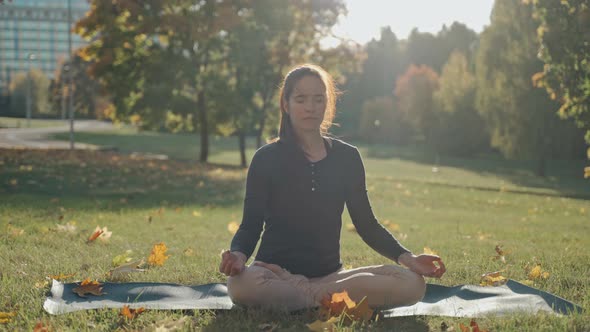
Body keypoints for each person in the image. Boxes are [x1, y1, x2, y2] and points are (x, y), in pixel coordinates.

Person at [219, 64, 446, 312]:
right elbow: (250, 225)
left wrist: (408, 258)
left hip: (331, 277)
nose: (310, 107)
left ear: (327, 103)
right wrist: (239, 257)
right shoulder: (266, 158)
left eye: (318, 99)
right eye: (301, 99)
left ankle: (308, 299)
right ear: (286, 104)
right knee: (240, 285)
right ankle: (327, 301)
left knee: (412, 283)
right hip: (273, 275)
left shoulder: (347, 157)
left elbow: (367, 224)